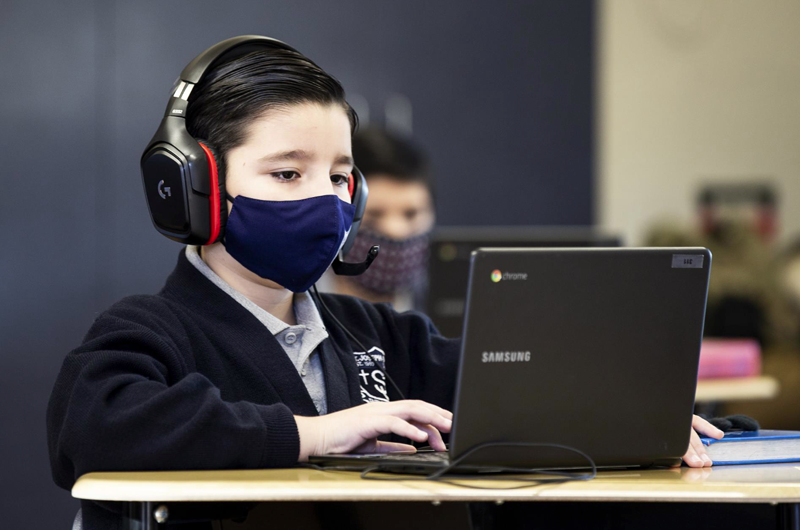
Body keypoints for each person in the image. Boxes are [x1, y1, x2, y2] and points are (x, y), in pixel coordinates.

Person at [46, 36, 722, 530]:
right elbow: (97, 424)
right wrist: (317, 434)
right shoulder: (149, 331)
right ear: (193, 187)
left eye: (340, 176)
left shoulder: (376, 335)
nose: (326, 199)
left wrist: (620, 411)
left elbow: (503, 384)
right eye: (287, 173)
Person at [326, 128, 435, 312]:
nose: (395, 230)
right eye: (374, 215)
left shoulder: (454, 307)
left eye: (411, 214)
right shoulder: (291, 307)